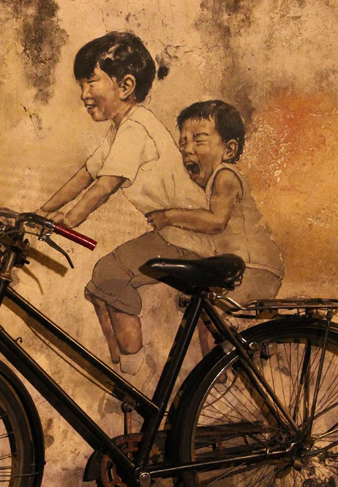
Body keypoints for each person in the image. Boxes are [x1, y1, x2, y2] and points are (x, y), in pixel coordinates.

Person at [38, 32, 211, 380]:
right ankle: (123, 371)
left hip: (186, 238)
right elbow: (85, 175)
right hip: (174, 235)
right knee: (99, 289)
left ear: (126, 85)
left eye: (91, 82)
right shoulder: (122, 129)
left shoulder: (137, 130)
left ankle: (136, 371)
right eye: (81, 85)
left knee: (108, 275)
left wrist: (67, 221)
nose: (84, 94)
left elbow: (104, 186)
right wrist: (41, 212)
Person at [146, 100, 284, 351]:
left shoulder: (225, 176)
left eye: (198, 141)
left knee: (214, 328)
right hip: (244, 266)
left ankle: (223, 376)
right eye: (183, 142)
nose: (187, 149)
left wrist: (169, 216)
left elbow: (215, 222)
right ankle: (223, 372)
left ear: (229, 150)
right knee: (208, 321)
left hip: (253, 267)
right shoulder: (212, 181)